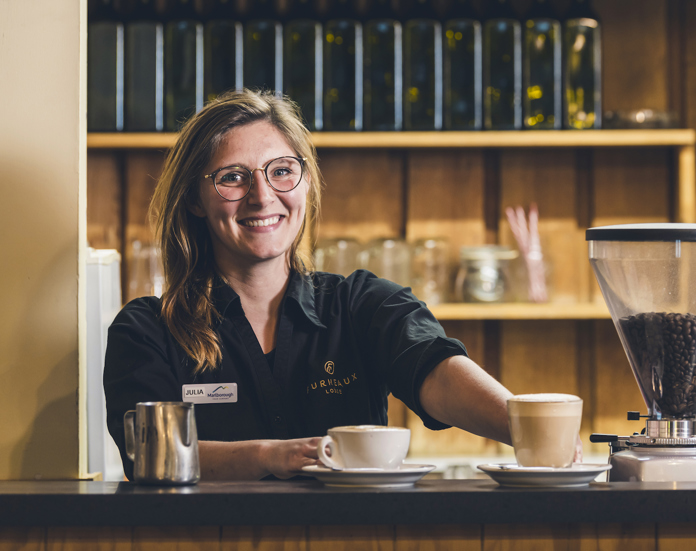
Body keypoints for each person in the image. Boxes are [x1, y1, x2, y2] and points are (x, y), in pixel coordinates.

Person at [103, 89, 514, 480]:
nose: (262, 196)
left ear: (307, 182)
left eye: (282, 171)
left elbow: (437, 373)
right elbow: (149, 456)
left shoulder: (363, 305)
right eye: (233, 177)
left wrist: (527, 426)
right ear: (195, 199)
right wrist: (270, 456)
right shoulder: (147, 331)